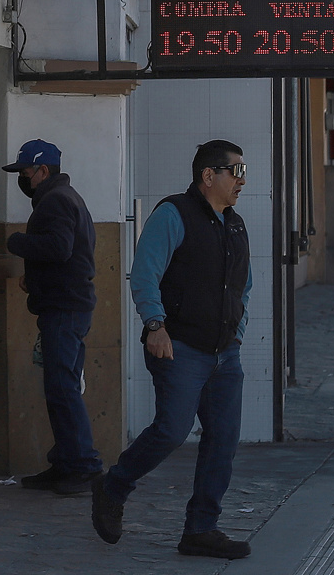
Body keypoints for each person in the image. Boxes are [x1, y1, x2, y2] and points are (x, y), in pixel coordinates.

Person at [91, 140, 252, 559]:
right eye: (235, 171)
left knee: (223, 440)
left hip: (224, 353)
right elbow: (145, 272)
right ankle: (113, 486)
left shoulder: (234, 224)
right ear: (208, 176)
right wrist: (155, 325)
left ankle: (201, 529)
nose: (242, 180)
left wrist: (239, 328)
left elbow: (242, 287)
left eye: (243, 170)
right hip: (178, 346)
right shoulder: (173, 214)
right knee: (172, 430)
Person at [3, 139, 104, 494]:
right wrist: (36, 279)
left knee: (62, 389)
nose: (23, 179)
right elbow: (68, 252)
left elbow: (58, 248)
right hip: (68, 304)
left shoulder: (56, 201)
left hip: (65, 308)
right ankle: (65, 462)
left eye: (26, 172)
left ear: (43, 171)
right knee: (62, 387)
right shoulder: (67, 198)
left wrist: (16, 242)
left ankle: (82, 465)